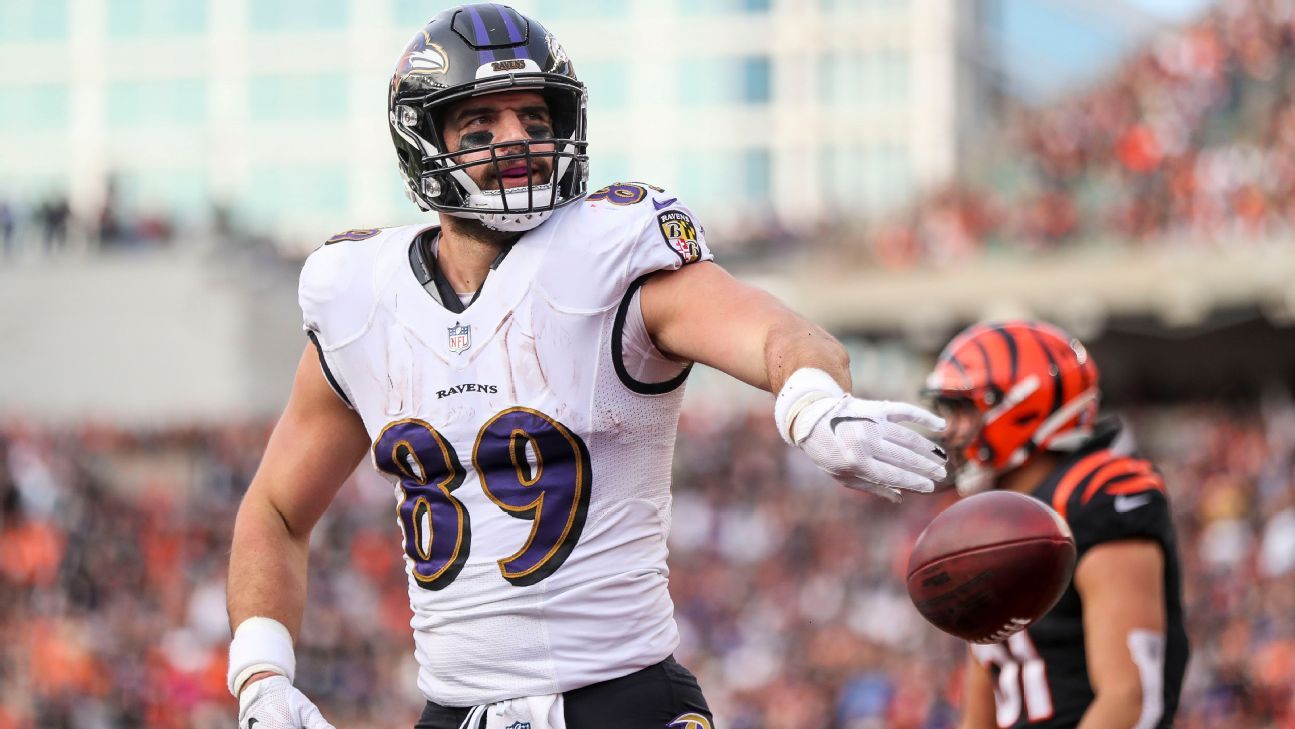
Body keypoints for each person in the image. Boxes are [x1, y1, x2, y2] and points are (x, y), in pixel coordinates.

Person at [225, 5, 947, 729]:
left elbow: (779, 333)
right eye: (481, 126)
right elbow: (276, 509)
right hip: (453, 711)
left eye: (536, 121)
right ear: (423, 140)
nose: (518, 141)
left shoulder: (608, 256)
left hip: (621, 700)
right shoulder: (361, 296)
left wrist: (810, 397)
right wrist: (261, 673)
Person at [921, 320, 1189, 729]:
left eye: (962, 410)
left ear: (1019, 406)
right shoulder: (988, 520)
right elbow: (984, 696)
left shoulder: (1096, 494)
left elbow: (1130, 698)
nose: (951, 430)